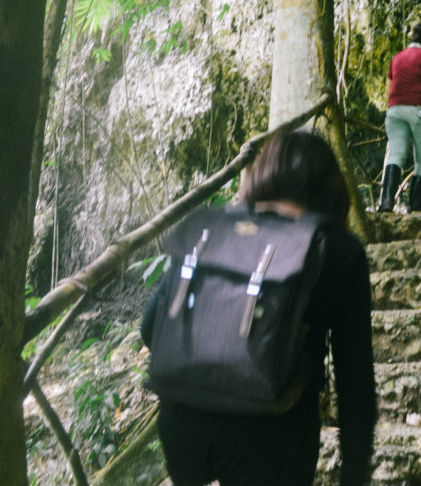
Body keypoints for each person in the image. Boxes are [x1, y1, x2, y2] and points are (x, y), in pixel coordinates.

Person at [141, 130, 377, 486]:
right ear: (331, 189)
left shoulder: (213, 230)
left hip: (181, 423)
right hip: (273, 434)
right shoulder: (338, 249)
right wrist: (354, 475)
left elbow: (149, 327)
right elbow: (354, 380)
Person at [377, 21, 421, 212]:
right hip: (419, 111)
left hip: (395, 111)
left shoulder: (397, 58)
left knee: (396, 155)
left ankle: (386, 202)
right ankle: (417, 208)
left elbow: (388, 89)